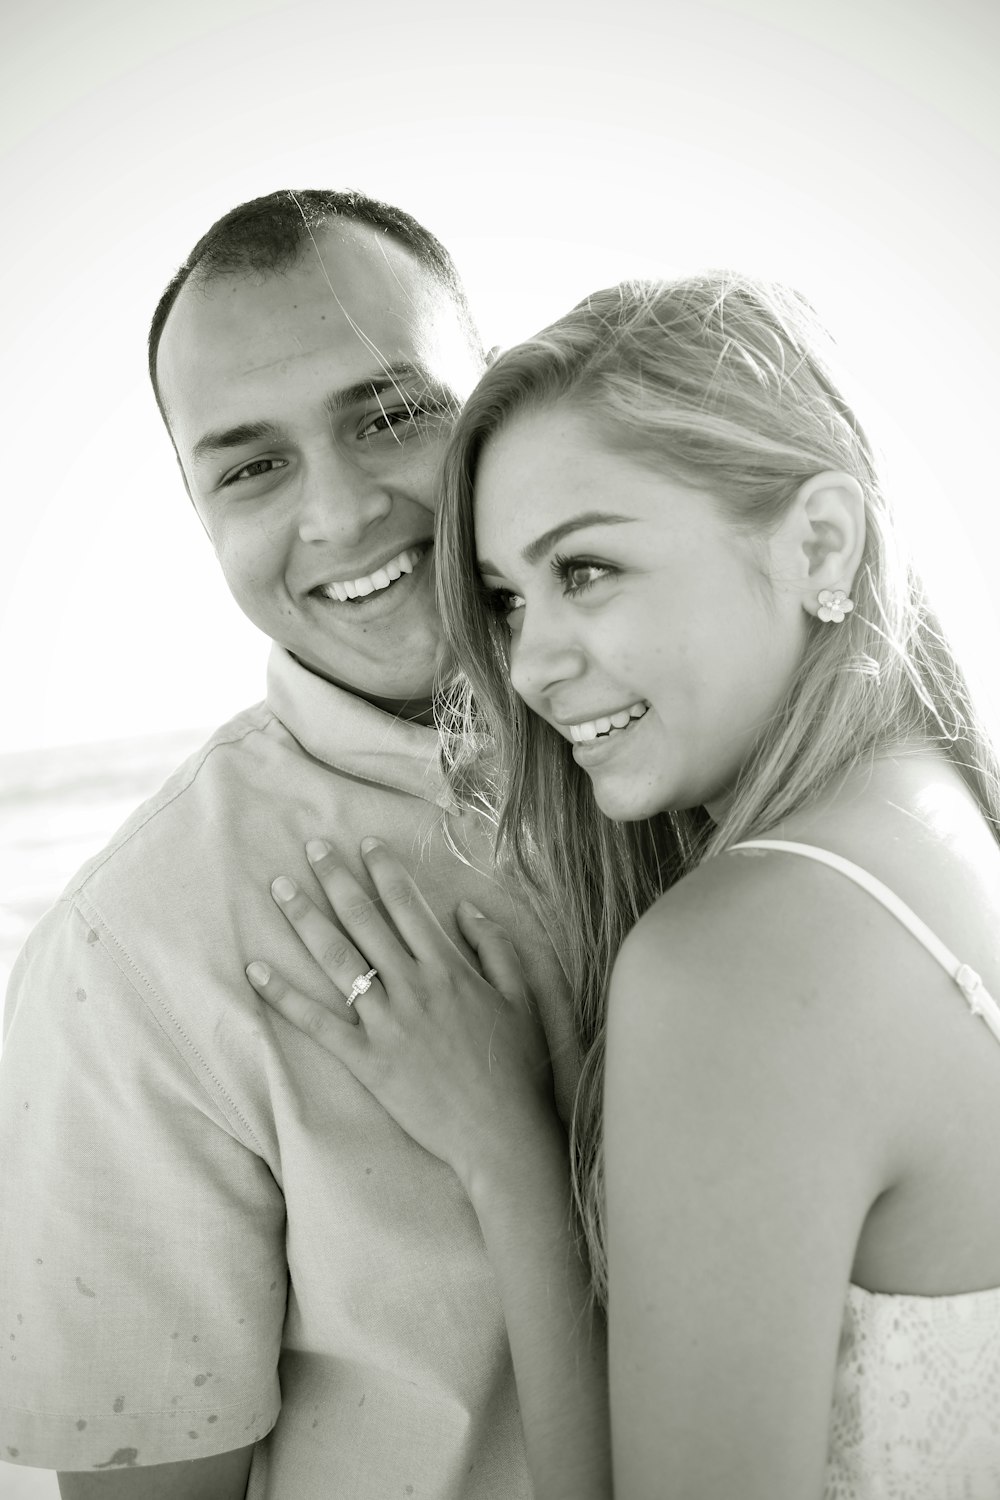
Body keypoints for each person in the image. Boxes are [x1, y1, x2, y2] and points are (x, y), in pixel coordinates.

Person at [248, 273, 1000, 1498]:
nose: (531, 664)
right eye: (503, 599)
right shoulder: (945, 823)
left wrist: (507, 1157)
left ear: (819, 542)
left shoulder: (743, 956)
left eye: (586, 570)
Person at [0, 189, 591, 1499]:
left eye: (390, 416)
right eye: (251, 465)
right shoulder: (134, 963)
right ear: (195, 506)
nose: (338, 512)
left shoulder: (705, 759)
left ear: (494, 400)